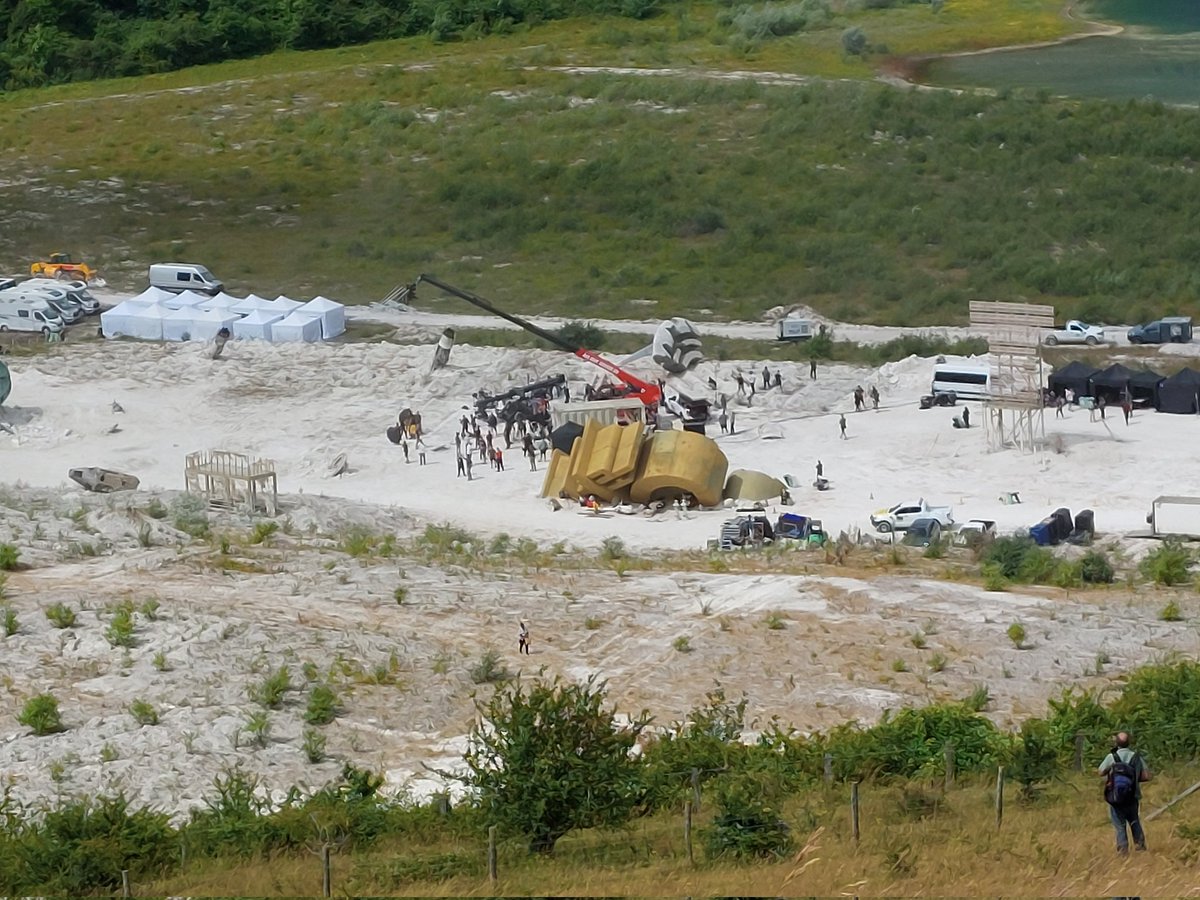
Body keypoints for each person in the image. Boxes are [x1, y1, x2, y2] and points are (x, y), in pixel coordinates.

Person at [1099, 731, 1150, 854]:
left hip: (1115, 797)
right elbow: (1146, 776)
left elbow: (1100, 772)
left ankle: (1123, 851)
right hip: (1133, 796)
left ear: (1116, 743)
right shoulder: (1136, 757)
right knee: (1134, 821)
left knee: (1120, 826)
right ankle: (1140, 847)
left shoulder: (1112, 757)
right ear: (1129, 742)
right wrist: (1134, 779)